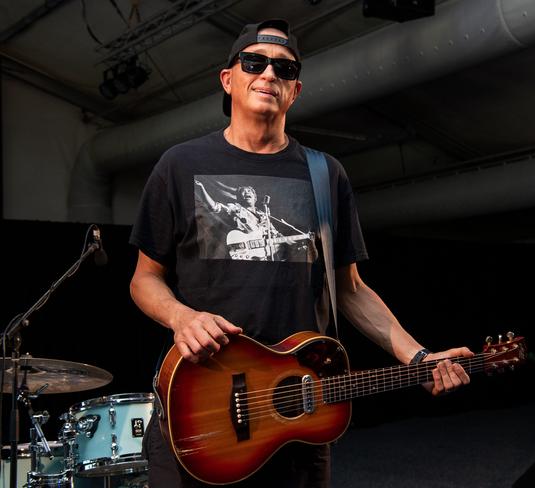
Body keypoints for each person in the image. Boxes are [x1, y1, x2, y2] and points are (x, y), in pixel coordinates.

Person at [129, 18, 474, 488]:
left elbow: (350, 290)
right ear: (228, 79)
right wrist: (181, 317)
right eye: (254, 63)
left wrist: (419, 358)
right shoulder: (180, 165)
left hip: (297, 419)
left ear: (296, 91)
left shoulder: (324, 174)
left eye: (284, 69)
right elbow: (144, 278)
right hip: (200, 408)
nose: (269, 74)